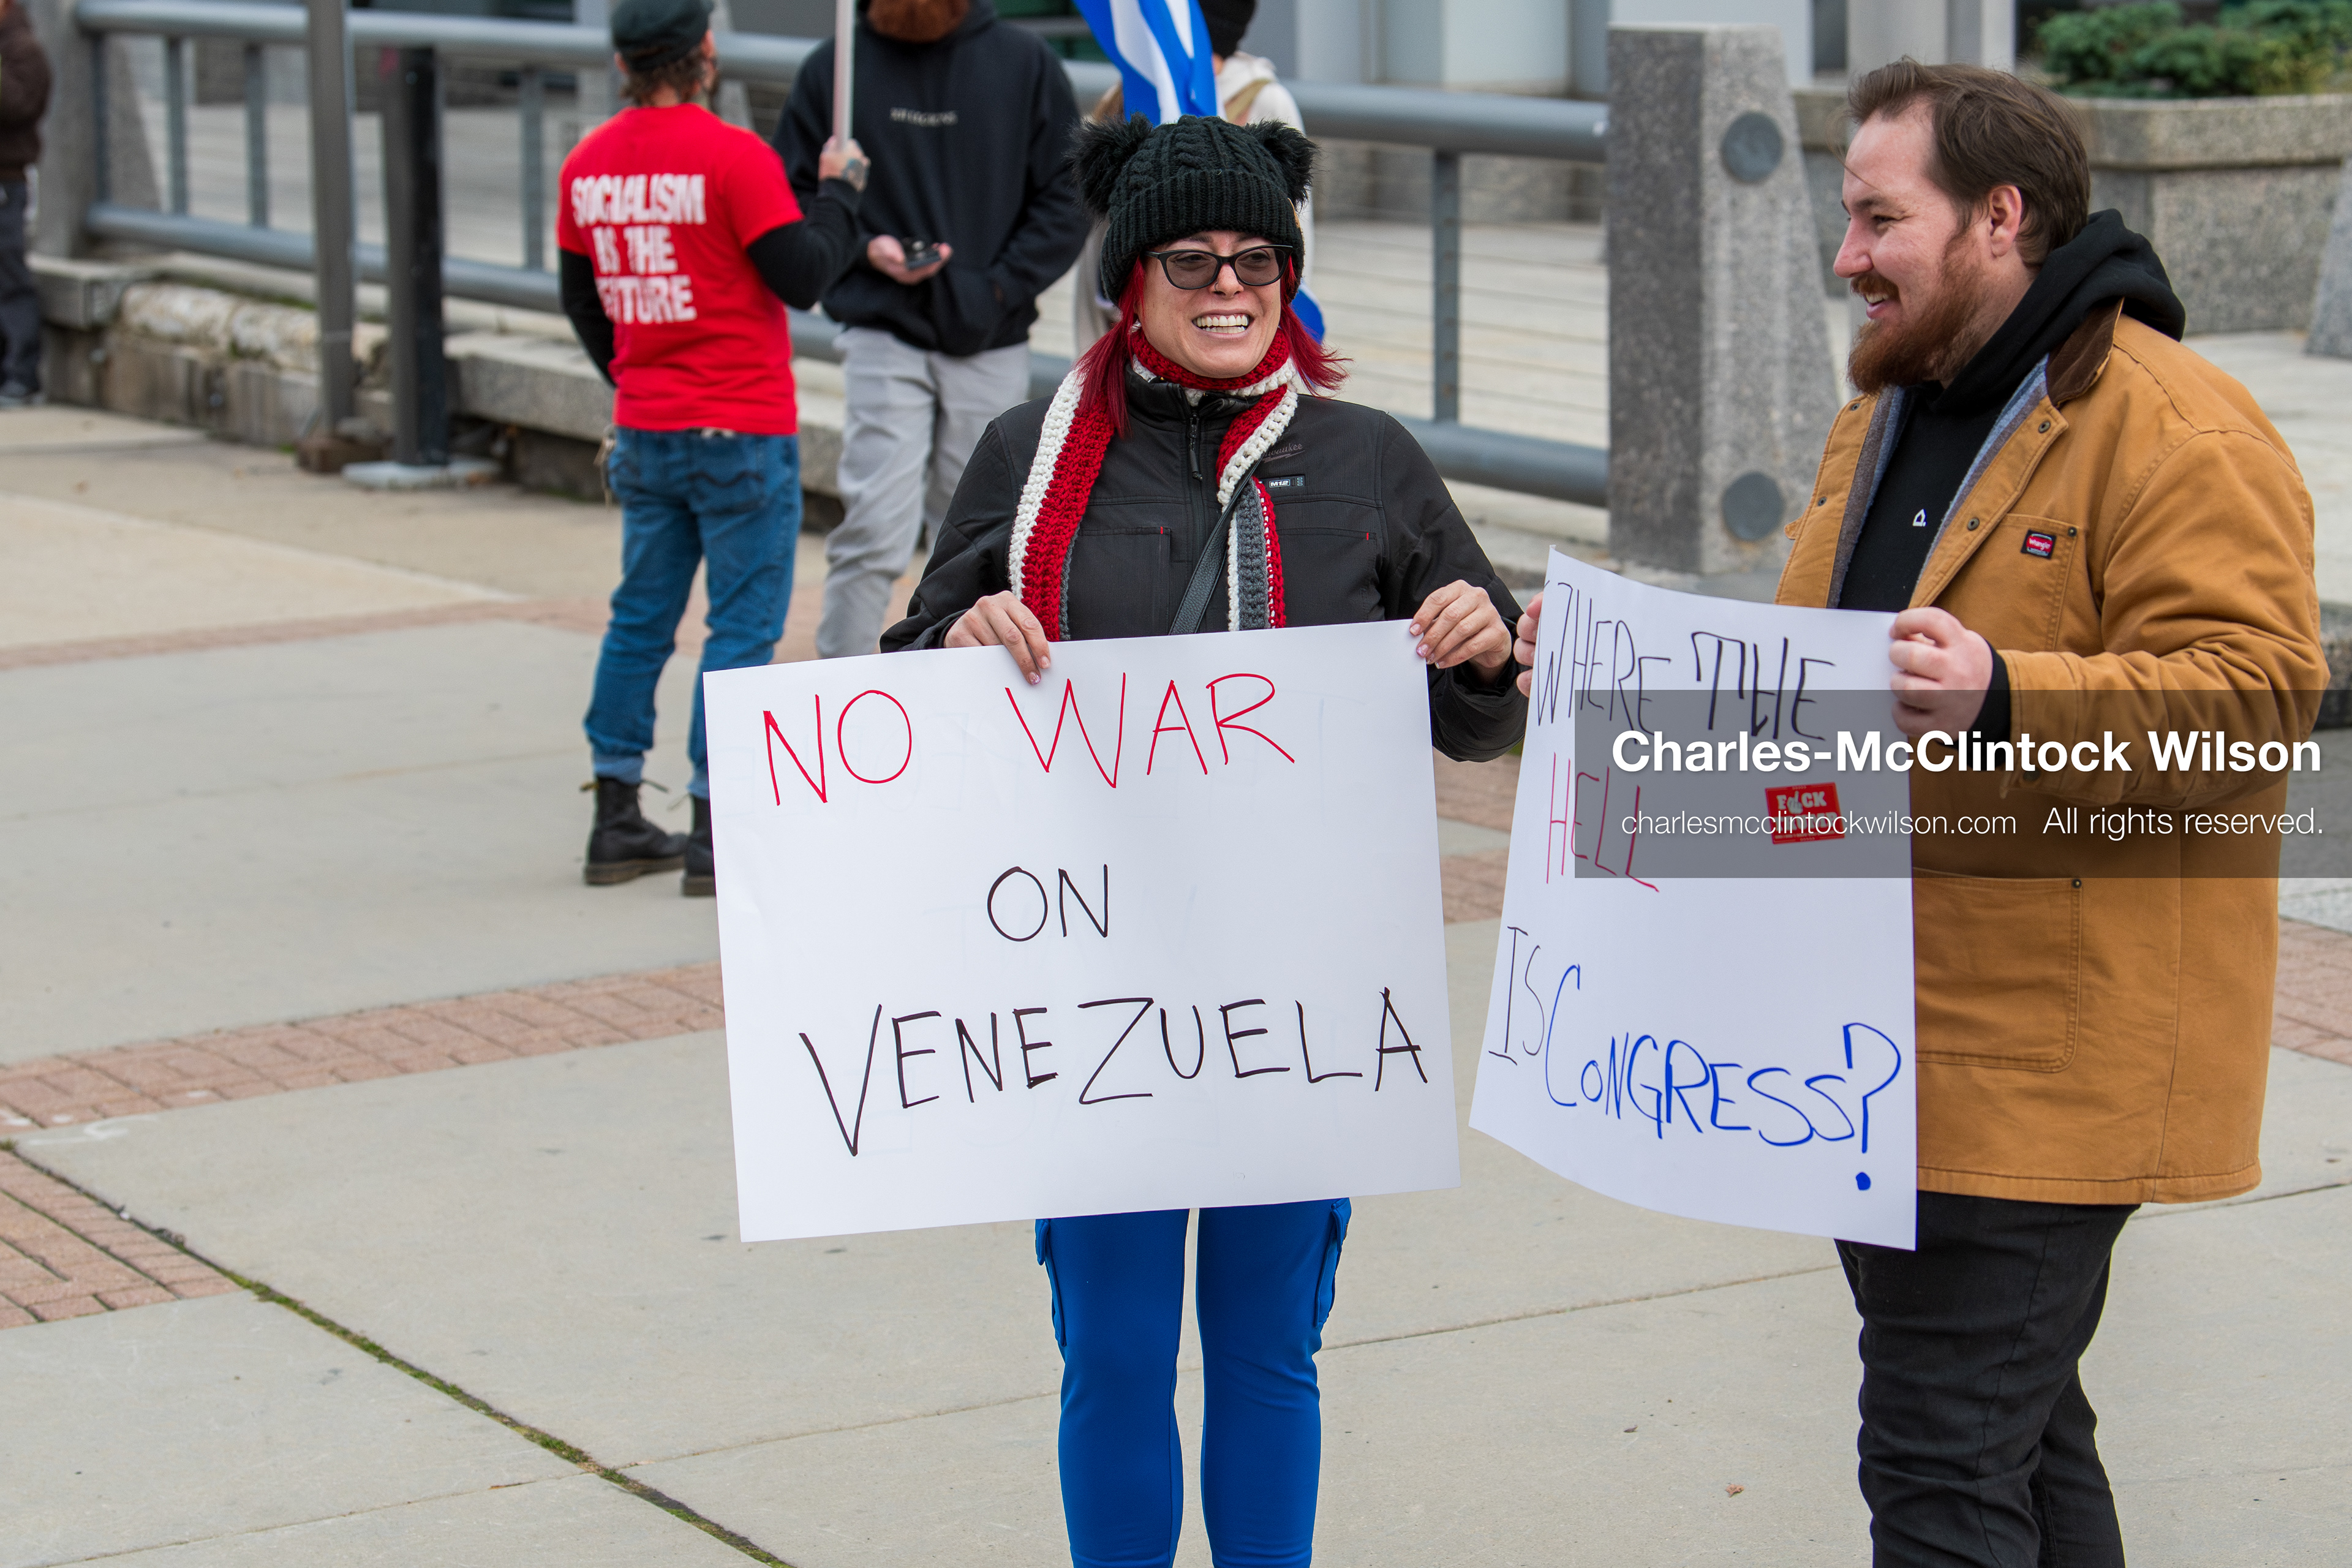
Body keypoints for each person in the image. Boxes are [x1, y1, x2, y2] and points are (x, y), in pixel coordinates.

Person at [1517, 61, 2321, 1566]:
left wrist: (2012, 690)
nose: (1844, 255)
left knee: (1941, 1461)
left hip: (2046, 1053)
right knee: (2013, 1443)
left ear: (1996, 219)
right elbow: (1812, 694)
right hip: (1879, 1047)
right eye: (1844, 216)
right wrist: (1593, 682)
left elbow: (2259, 697)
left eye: (1878, 217)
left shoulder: (2173, 427)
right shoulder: (1883, 418)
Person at [884, 113, 1526, 1568]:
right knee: (1111, 1351)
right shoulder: (1027, 453)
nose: (1228, 287)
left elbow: (1474, 716)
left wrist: (1480, 655)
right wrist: (955, 633)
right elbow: (913, 676)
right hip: (1092, 988)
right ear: (1130, 281)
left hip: (1291, 993)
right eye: (1191, 260)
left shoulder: (1362, 457)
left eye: (1259, 261)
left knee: (1263, 1350)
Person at [557, 0, 867, 894]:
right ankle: (711, 830)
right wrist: (841, 192)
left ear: (622, 66)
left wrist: (633, 380)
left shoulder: (586, 165)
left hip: (649, 427)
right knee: (739, 631)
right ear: (704, 53)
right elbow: (804, 274)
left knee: (640, 619)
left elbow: (581, 300)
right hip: (741, 427)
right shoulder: (736, 158)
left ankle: (615, 813)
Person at [776, 0, 1089, 661]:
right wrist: (863, 249)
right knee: (871, 531)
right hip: (881, 330)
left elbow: (1066, 199)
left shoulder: (1025, 64)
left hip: (991, 334)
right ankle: (841, 698)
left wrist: (997, 286)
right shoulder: (837, 68)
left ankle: (979, 697)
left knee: (988, 537)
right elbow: (796, 194)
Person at [1071, 0, 1319, 352]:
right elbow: (1100, 234)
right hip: (1130, 318)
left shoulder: (1263, 97)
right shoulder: (1132, 87)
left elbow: (1293, 230)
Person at [0, 0, 52, 409]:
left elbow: (20, 104)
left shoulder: (23, 48)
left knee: (9, 275)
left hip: (6, 180)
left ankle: (22, 374)